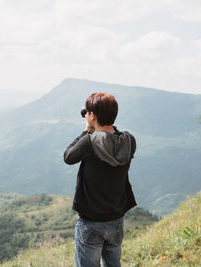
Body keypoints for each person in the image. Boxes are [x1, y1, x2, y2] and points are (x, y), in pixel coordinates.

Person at [63, 92, 136, 267]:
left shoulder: (89, 142)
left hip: (91, 222)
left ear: (93, 116)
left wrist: (87, 130)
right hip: (116, 218)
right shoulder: (129, 141)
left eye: (88, 113)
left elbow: (68, 156)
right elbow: (111, 138)